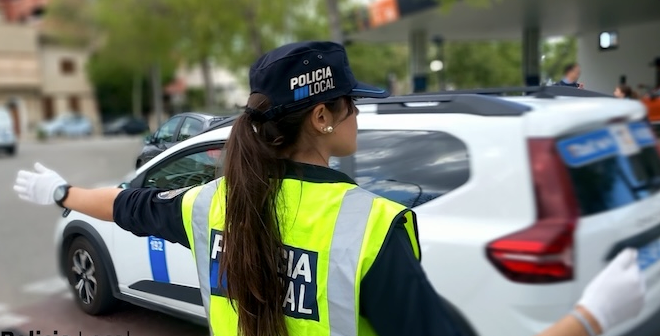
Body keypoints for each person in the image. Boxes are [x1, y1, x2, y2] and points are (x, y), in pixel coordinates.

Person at [14, 41, 645, 336]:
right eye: (351, 106)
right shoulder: (368, 227)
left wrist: (64, 192)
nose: (359, 116)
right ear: (321, 116)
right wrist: (590, 318)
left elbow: (129, 207)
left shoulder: (214, 204)